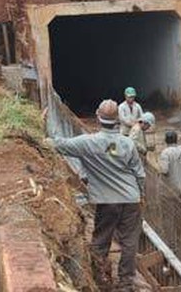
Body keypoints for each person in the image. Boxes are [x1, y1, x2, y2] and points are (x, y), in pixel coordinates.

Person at [52, 99, 145, 291]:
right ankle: (126, 282)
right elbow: (139, 174)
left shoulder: (87, 143)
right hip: (130, 199)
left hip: (106, 201)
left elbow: (58, 145)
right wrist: (141, 195)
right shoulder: (127, 143)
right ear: (118, 119)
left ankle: (99, 277)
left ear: (98, 117)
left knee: (101, 239)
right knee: (129, 242)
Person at [158, 130, 181, 197]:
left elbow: (164, 170)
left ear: (166, 140)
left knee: (171, 206)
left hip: (170, 189)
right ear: (176, 140)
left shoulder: (165, 153)